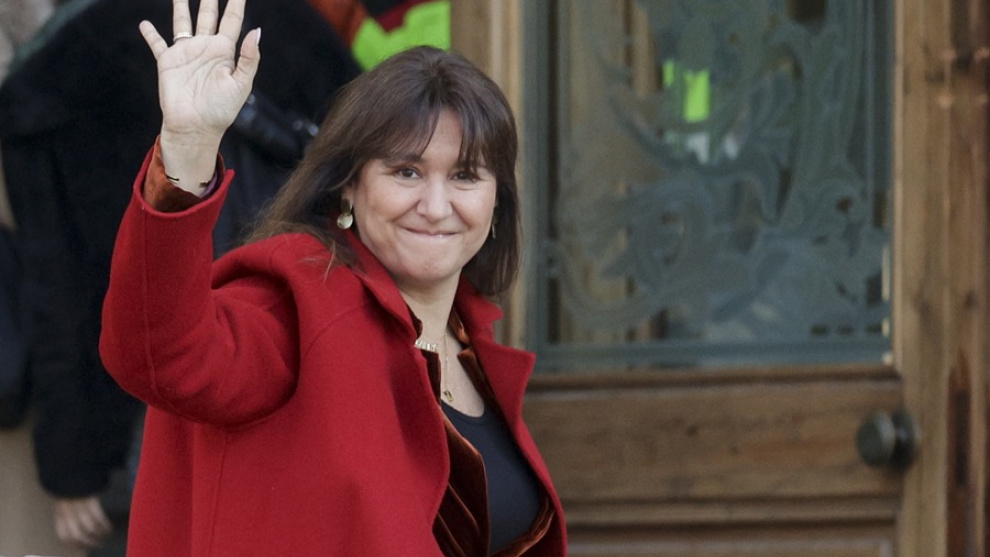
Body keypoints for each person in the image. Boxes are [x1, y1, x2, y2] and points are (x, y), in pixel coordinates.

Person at [98, 0, 567, 554]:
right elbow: (161, 354)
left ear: (496, 201)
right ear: (348, 186)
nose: (436, 206)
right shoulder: (299, 301)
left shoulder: (472, 342)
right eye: (407, 172)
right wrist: (188, 150)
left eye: (465, 176)